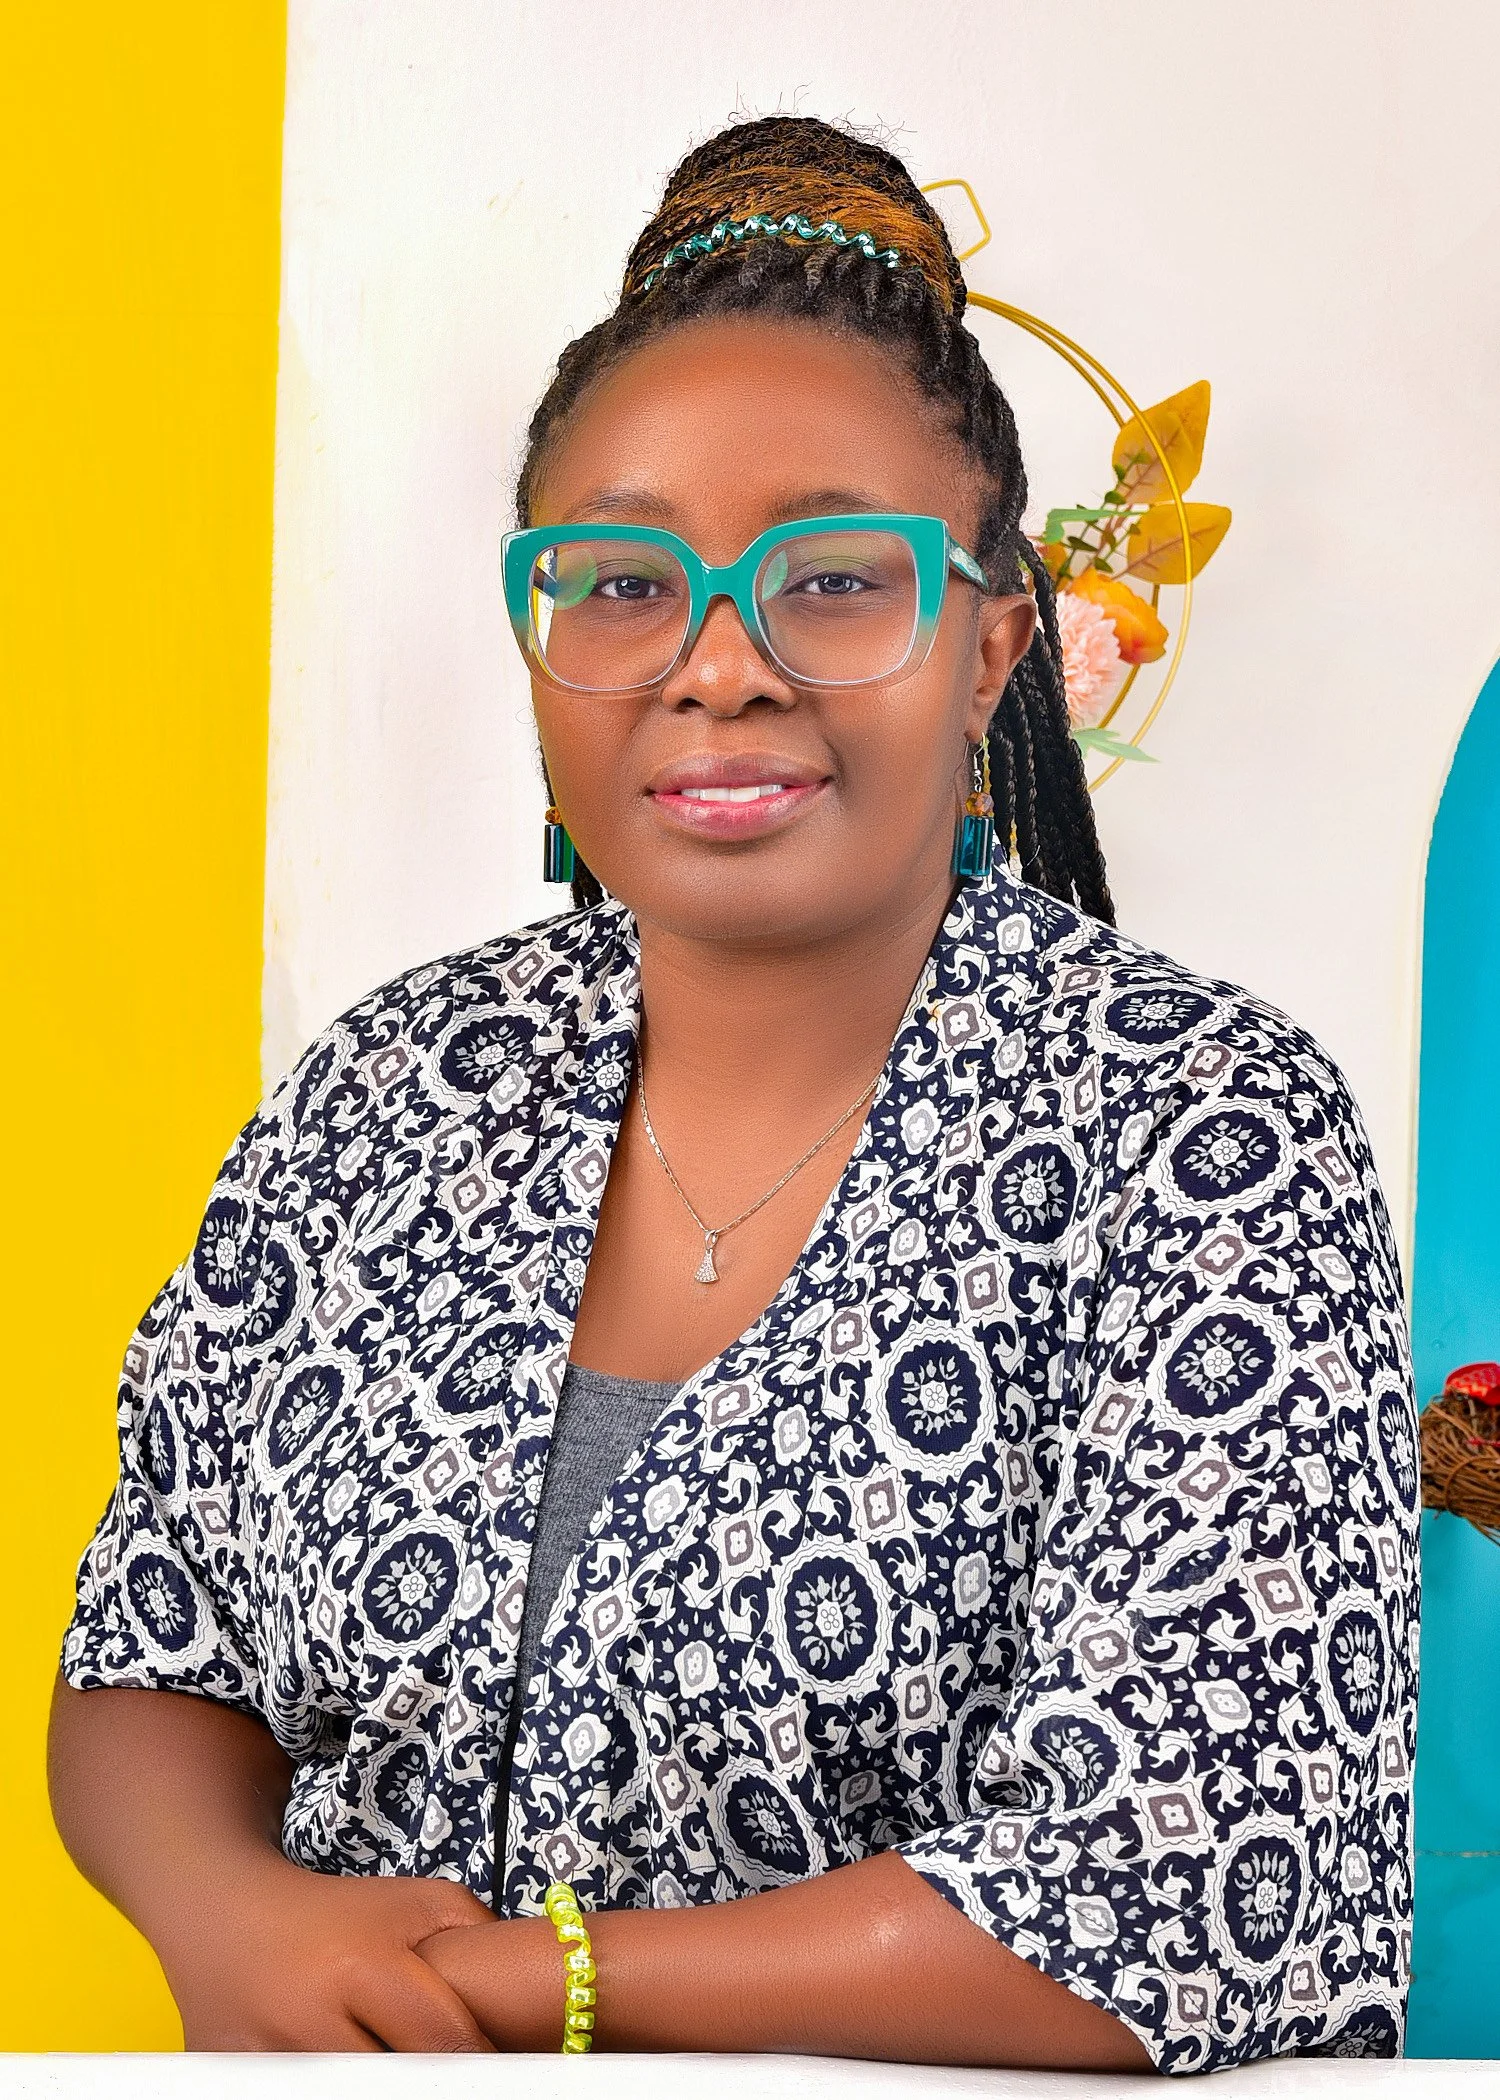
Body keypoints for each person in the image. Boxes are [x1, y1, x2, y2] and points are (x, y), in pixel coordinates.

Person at [49, 116, 1418, 2073]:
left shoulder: (1199, 1130)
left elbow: (1199, 1884)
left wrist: (528, 1985)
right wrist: (225, 1908)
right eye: (620, 583)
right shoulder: (385, 1093)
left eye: (835, 578)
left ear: (991, 643)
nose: (719, 665)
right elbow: (152, 1645)